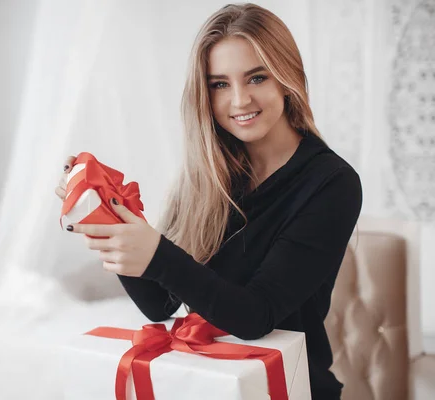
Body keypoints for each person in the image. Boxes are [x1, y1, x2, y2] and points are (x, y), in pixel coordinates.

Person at [55, 3, 361, 399]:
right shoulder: (209, 174)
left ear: (287, 78)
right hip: (211, 382)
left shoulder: (332, 184)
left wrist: (156, 252)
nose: (239, 101)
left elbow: (256, 315)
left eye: (256, 77)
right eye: (219, 84)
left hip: (288, 387)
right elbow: (160, 304)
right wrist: (110, 221)